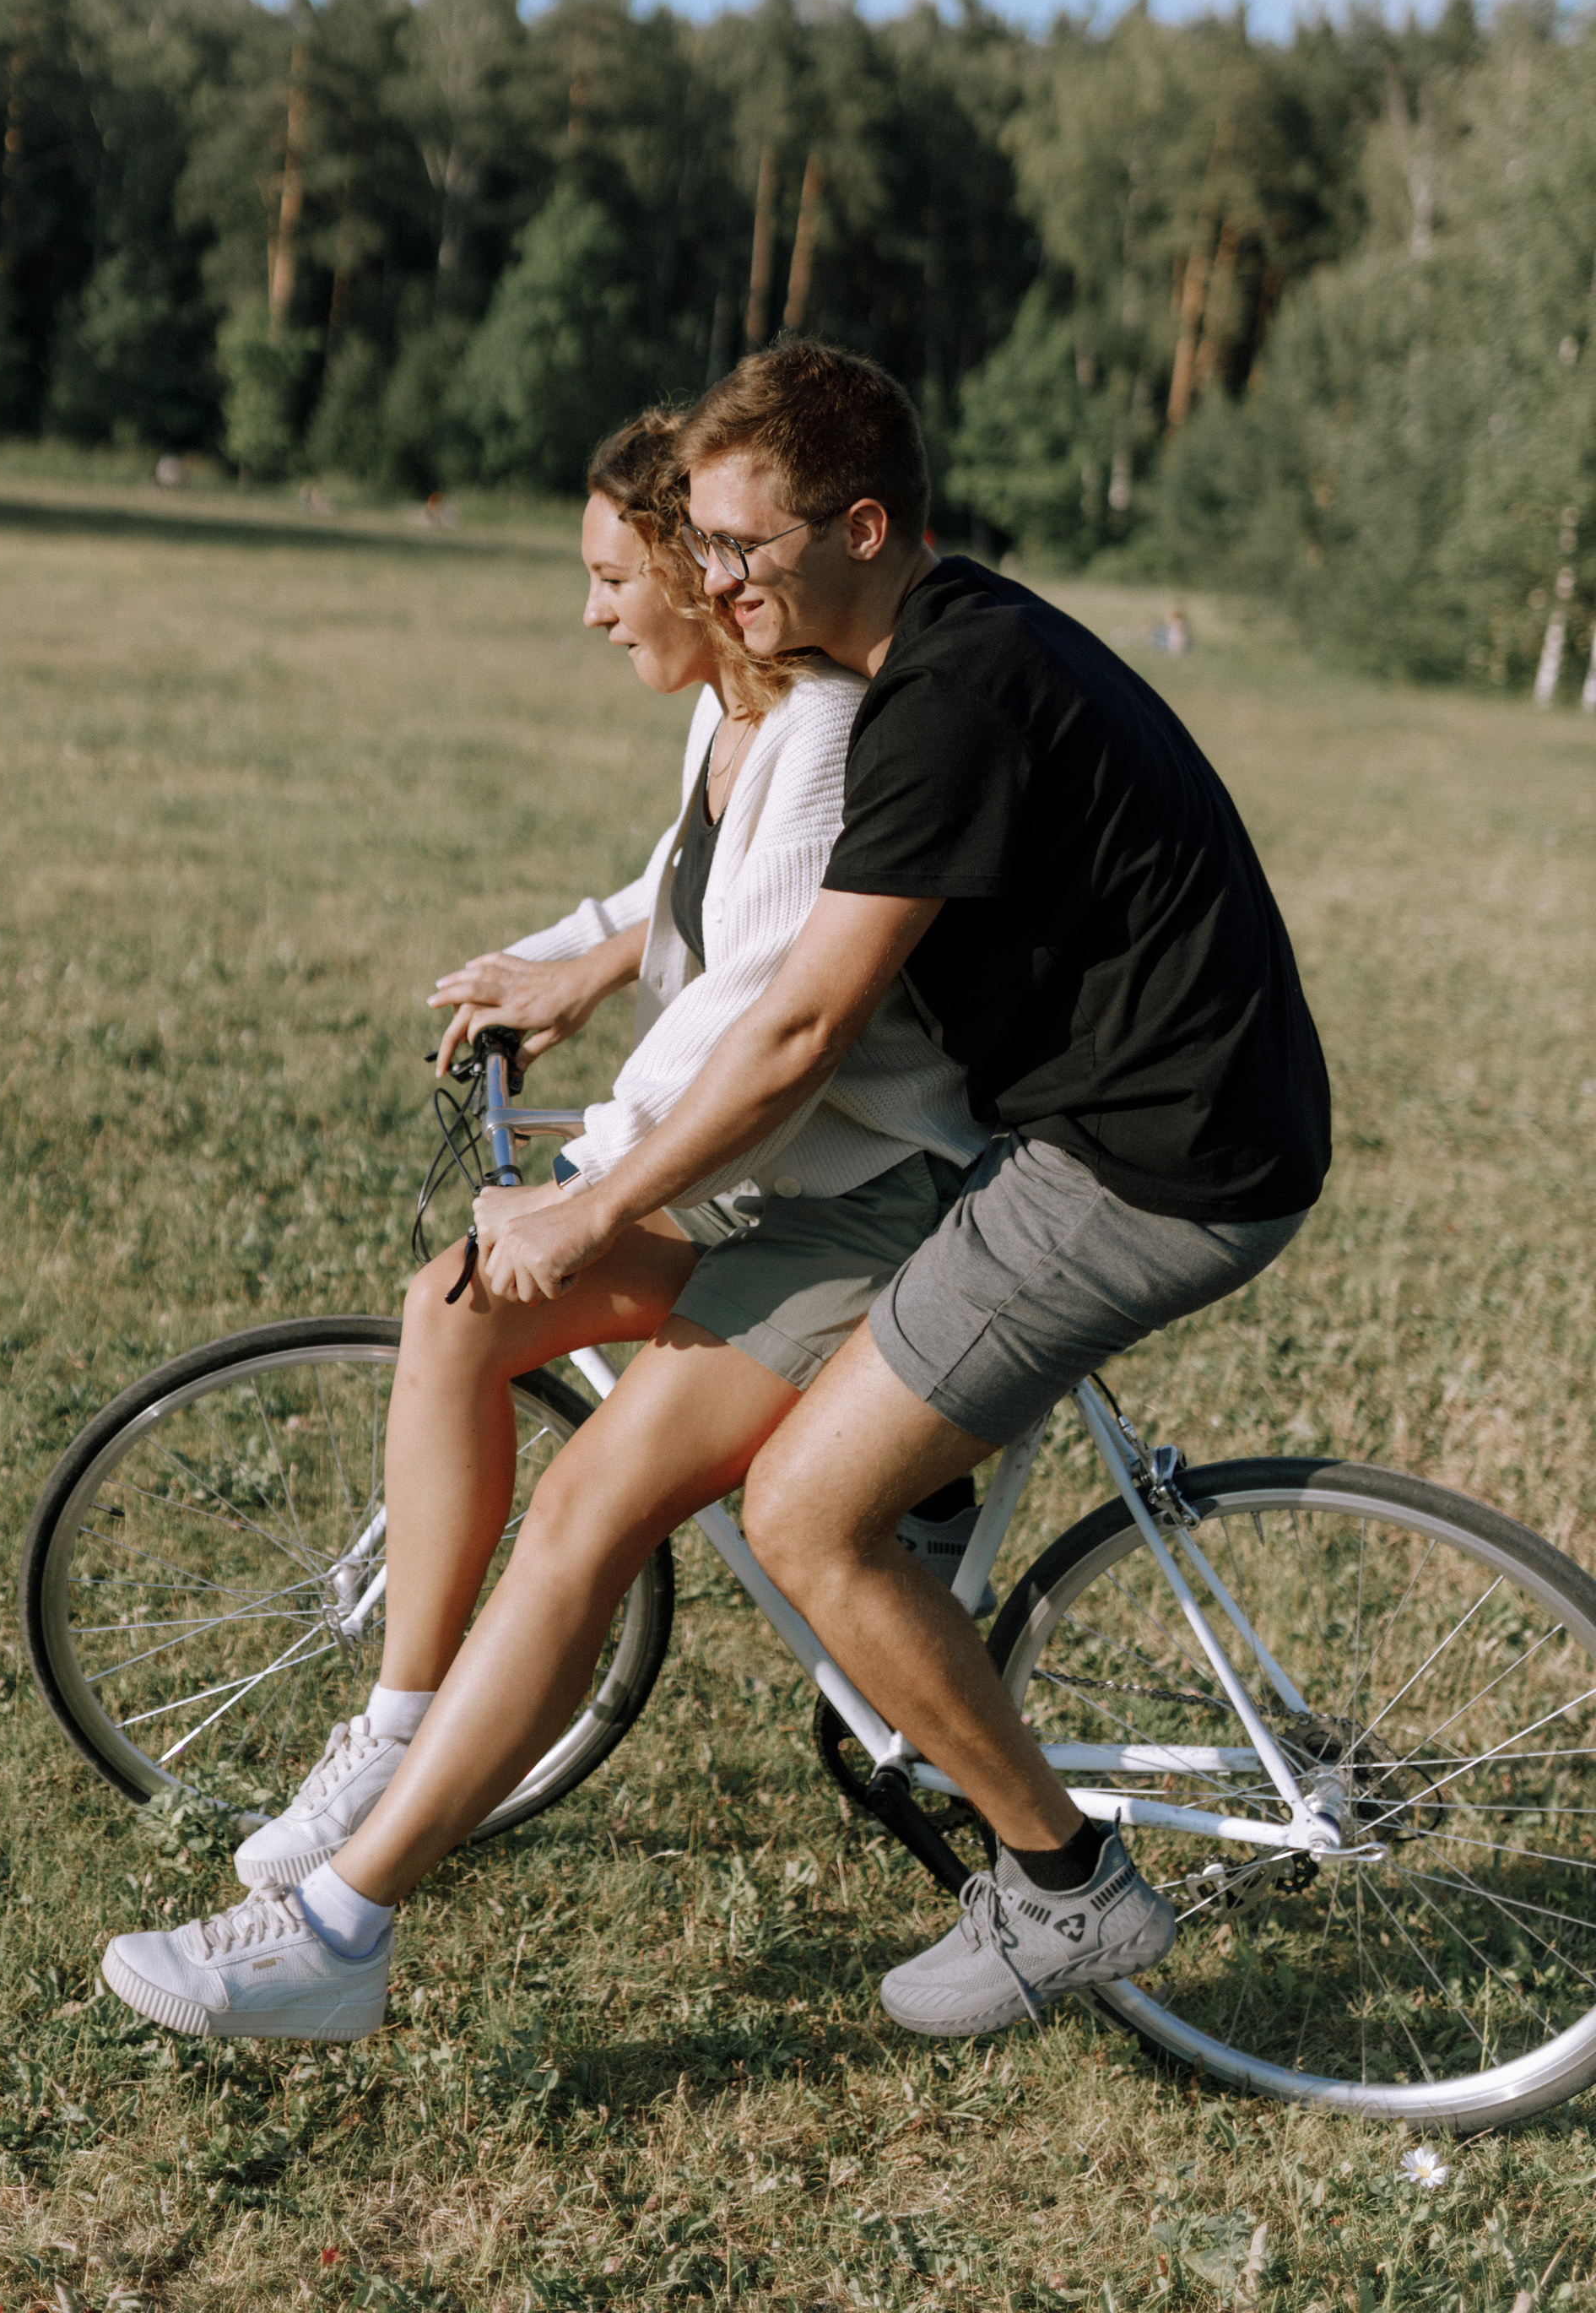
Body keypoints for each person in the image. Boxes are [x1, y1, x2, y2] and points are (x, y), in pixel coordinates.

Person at [460, 341, 1331, 2038]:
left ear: (860, 528)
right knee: (864, 1449)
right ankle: (924, 1545)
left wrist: (586, 1203)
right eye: (693, 547)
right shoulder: (952, 643)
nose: (707, 582)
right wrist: (602, 958)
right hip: (1153, 1126)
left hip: (1142, 1168)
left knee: (800, 1511)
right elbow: (783, 922)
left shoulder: (933, 706)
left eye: (737, 548)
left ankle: (1061, 1889)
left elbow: (795, 1031)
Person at [98, 407, 990, 2040]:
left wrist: (590, 1185)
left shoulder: (821, 736)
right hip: (779, 1193)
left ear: (687, 570)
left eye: (610, 574)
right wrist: (565, 963)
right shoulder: (734, 724)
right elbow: (678, 890)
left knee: (592, 1497)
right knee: (455, 1310)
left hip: (874, 1218)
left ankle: (343, 1935)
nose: (593, 611)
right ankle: (400, 1719)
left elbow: (761, 1016)